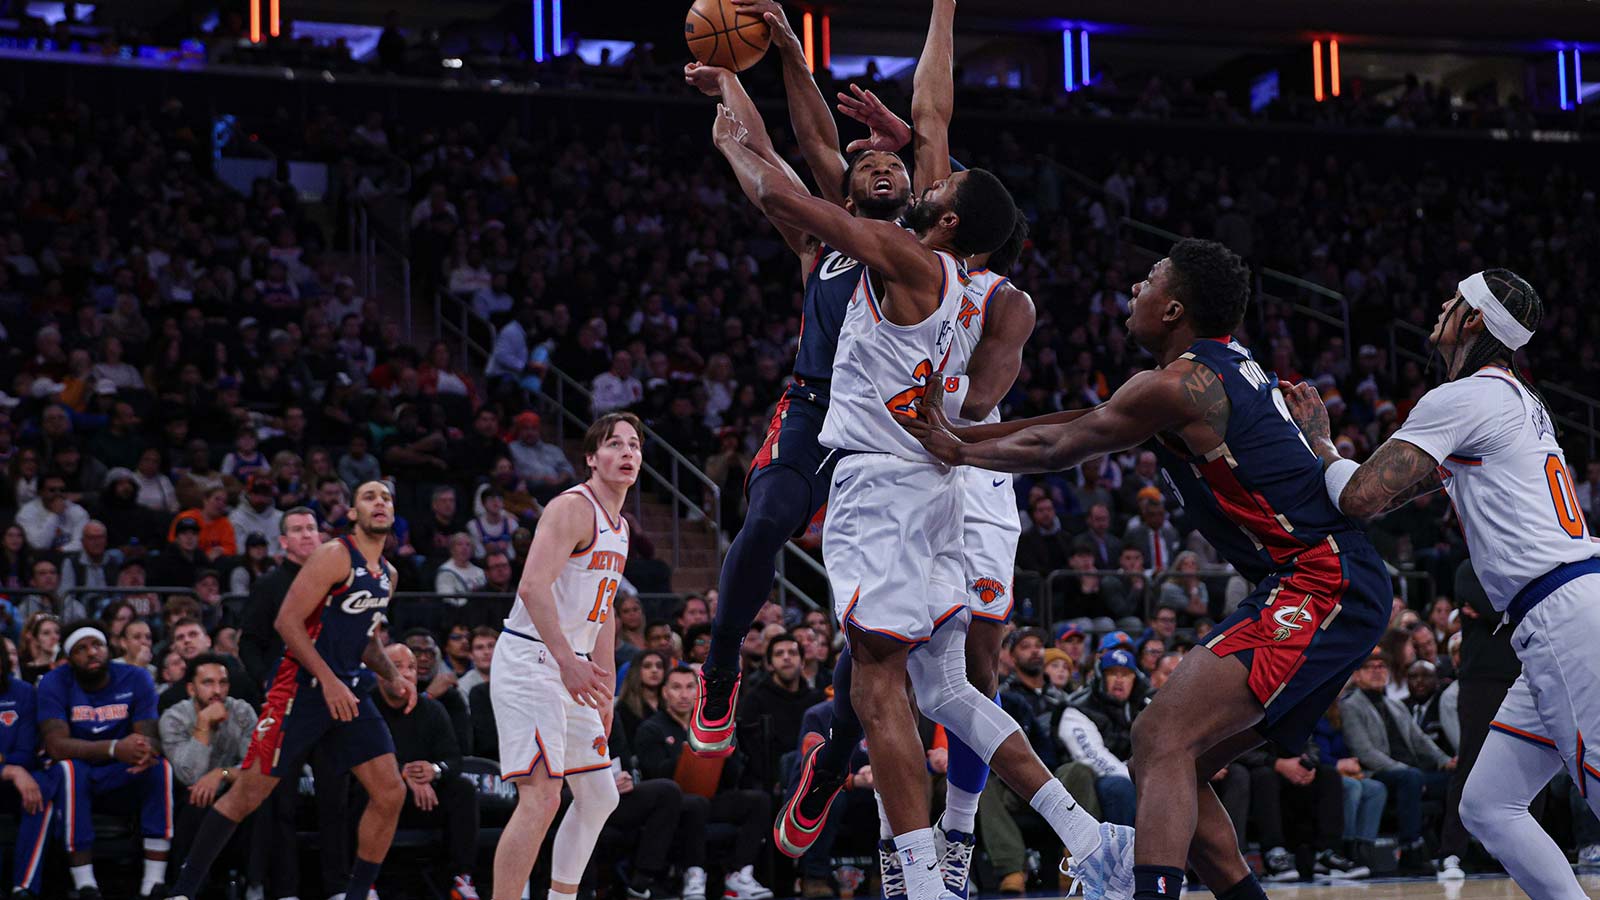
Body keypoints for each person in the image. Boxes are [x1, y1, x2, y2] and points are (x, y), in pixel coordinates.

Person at [902, 238, 1393, 900]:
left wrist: (960, 455)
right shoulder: (1212, 369)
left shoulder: (1181, 385)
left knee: (1159, 736)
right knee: (1173, 764)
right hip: (1323, 578)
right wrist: (963, 434)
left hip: (1321, 580)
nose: (1136, 288)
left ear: (1173, 309)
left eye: (1149, 281)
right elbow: (1085, 420)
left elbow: (1062, 447)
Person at [1287, 268, 1600, 897]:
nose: (1441, 305)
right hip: (1556, 609)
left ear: (1476, 320)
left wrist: (1319, 441)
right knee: (1488, 806)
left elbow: (1360, 496)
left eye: (1455, 299)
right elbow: (1402, 491)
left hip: (1563, 614)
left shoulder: (1462, 398)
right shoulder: (1512, 398)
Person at [164, 481, 416, 900]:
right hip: (300, 689)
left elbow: (367, 639)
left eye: (387, 497)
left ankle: (355, 894)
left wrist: (392, 676)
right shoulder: (334, 554)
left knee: (390, 792)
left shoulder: (388, 575)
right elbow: (286, 623)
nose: (380, 503)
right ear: (352, 513)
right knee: (247, 794)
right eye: (369, 496)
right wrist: (329, 680)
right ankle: (183, 890)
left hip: (347, 692)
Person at [488, 412, 641, 900]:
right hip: (534, 659)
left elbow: (606, 608)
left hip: (573, 665)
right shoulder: (573, 508)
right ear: (592, 459)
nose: (627, 453)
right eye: (614, 445)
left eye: (634, 446)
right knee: (541, 799)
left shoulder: (620, 526)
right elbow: (532, 587)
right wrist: (568, 661)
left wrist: (606, 689)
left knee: (599, 796)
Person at [38, 621, 174, 899]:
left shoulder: (135, 677)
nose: (91, 653)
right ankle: (86, 884)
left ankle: (154, 883)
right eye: (81, 649)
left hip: (122, 772)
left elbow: (148, 735)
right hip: (81, 773)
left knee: (160, 768)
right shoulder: (54, 681)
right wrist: (113, 748)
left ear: (108, 649)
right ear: (68, 658)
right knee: (68, 770)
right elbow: (56, 746)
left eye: (97, 645)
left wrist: (145, 750)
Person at [635, 666, 774, 900]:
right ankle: (694, 876)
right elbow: (653, 776)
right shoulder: (651, 729)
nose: (684, 694)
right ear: (665, 693)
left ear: (699, 692)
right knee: (696, 804)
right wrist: (684, 758)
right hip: (672, 808)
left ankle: (739, 874)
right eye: (676, 688)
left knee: (758, 801)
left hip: (712, 799)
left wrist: (726, 755)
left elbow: (733, 778)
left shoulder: (713, 727)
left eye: (690, 687)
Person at [374, 643, 482, 899]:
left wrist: (434, 771)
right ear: (380, 672)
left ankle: (461, 879)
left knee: (463, 790)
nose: (408, 673)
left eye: (411, 667)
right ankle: (364, 882)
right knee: (358, 790)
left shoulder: (431, 709)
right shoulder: (368, 706)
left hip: (426, 798)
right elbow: (358, 758)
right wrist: (402, 774)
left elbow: (453, 759)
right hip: (381, 797)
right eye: (397, 666)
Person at [1338, 650, 1455, 871]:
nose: (1377, 671)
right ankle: (1410, 849)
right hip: (1375, 772)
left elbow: (1419, 740)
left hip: (1410, 773)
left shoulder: (1395, 705)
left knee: (1453, 781)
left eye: (1381, 667)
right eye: (1370, 667)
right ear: (1357, 675)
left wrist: (1445, 761)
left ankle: (1450, 851)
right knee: (1410, 778)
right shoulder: (1350, 705)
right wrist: (1404, 770)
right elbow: (1365, 752)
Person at [156, 653, 258, 874]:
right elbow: (190, 776)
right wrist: (203, 724)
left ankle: (255, 883)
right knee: (197, 798)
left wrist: (221, 774)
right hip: (190, 794)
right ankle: (187, 886)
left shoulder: (241, 711)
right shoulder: (174, 718)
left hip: (234, 788)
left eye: (223, 683)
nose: (217, 691)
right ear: (191, 689)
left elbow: (257, 769)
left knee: (258, 797)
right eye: (208, 683)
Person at [1, 635, 54, 898]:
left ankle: (24, 887)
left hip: (19, 781)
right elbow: (14, 762)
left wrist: (14, 768)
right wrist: (7, 769)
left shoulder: (23, 692)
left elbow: (24, 753)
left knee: (43, 788)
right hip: (10, 774)